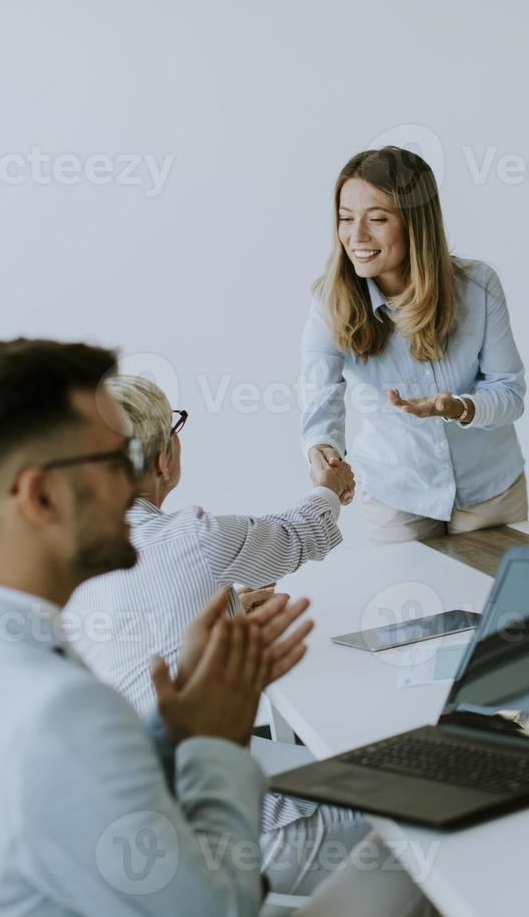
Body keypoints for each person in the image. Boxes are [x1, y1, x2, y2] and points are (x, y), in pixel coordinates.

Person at [0, 338, 432, 916]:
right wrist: (213, 743)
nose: (136, 484)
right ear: (42, 497)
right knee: (431, 838)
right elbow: (219, 908)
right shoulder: (54, 712)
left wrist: (173, 728)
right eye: (113, 462)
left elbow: (73, 801)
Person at [64, 374, 370, 897]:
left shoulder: (65, 564)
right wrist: (330, 490)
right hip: (236, 837)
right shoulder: (192, 537)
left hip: (137, 838)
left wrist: (225, 607)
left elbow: (140, 632)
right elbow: (299, 533)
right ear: (164, 457)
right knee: (415, 817)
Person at [301, 146, 529, 544]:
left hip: (490, 488)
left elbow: (509, 391)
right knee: (417, 606)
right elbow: (321, 393)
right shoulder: (329, 301)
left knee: (503, 603)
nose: (356, 236)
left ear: (415, 223)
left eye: (377, 219)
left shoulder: (478, 286)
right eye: (345, 219)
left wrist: (461, 408)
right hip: (396, 493)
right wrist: (322, 449)